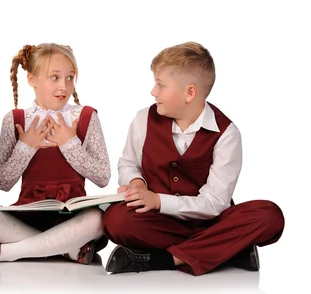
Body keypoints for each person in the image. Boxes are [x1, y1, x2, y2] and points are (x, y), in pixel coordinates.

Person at [103, 41, 285, 276]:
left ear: (190, 92)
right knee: (115, 220)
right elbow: (129, 163)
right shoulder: (143, 119)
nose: (153, 92)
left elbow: (213, 203)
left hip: (210, 221)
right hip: (159, 222)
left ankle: (165, 259)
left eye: (161, 85)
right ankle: (229, 249)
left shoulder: (227, 134)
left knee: (270, 216)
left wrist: (159, 200)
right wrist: (136, 182)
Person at [0, 43, 111, 264]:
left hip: (72, 217)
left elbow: (103, 177)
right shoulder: (15, 120)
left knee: (98, 218)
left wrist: (69, 143)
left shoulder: (86, 117)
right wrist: (26, 146)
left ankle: (7, 252)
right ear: (32, 80)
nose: (64, 86)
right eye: (55, 77)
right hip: (27, 218)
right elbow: (3, 182)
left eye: (70, 78)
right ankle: (65, 249)